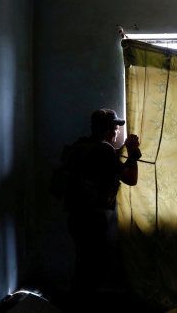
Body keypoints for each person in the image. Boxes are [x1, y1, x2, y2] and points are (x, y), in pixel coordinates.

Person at [51, 108, 141, 306]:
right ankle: (81, 305)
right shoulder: (105, 150)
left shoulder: (82, 146)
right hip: (93, 219)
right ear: (111, 130)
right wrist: (133, 152)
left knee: (83, 264)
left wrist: (123, 150)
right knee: (95, 268)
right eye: (116, 127)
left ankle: (77, 302)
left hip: (76, 215)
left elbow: (104, 165)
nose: (118, 131)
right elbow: (129, 177)